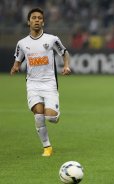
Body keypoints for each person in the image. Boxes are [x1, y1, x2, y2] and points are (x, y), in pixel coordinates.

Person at [10, 7, 71, 157]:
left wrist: (66, 65)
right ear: (28, 22)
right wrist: (15, 67)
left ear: (43, 22)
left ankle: (54, 113)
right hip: (32, 84)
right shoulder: (22, 43)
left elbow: (64, 52)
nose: (36, 20)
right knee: (38, 113)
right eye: (34, 18)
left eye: (39, 18)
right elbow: (18, 60)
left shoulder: (51, 39)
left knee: (51, 117)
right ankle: (47, 147)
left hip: (49, 83)